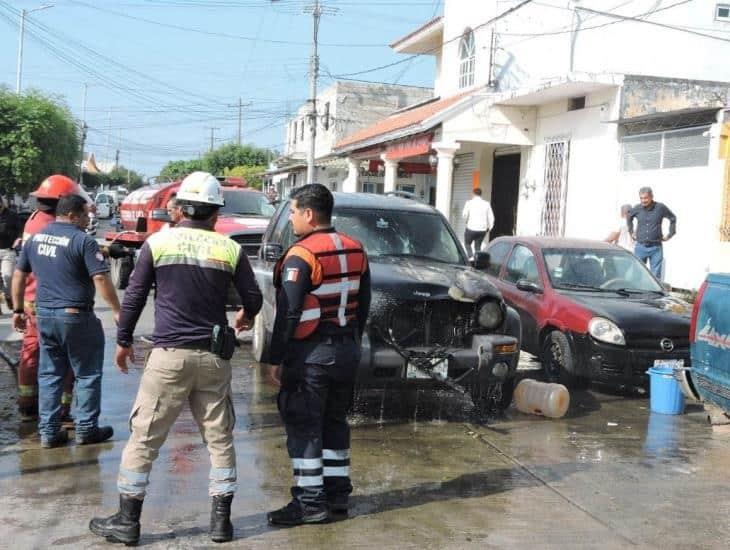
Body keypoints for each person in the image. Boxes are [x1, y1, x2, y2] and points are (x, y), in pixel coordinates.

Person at [89, 172, 262, 545]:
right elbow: (254, 297)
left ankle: (128, 522)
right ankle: (221, 524)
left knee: (144, 439)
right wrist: (245, 317)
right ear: (216, 213)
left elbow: (134, 297)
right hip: (214, 358)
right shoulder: (229, 249)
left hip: (168, 357)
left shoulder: (158, 242)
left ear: (180, 209)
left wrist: (123, 341)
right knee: (219, 441)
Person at [266, 183, 371, 526]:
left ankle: (310, 504)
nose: (292, 218)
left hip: (312, 356)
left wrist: (276, 357)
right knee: (335, 422)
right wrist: (352, 342)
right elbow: (364, 304)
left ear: (309, 214)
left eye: (294, 212)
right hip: (347, 351)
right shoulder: (357, 249)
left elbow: (289, 313)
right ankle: (337, 497)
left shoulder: (302, 255)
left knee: (305, 425)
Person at [11, 193, 120, 448]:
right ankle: (86, 429)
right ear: (71, 215)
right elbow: (101, 279)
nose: (87, 220)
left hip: (44, 316)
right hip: (76, 317)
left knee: (49, 375)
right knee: (87, 374)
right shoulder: (83, 241)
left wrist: (17, 309)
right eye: (84, 215)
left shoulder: (35, 239)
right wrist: (117, 309)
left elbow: (18, 275)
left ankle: (49, 433)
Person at [15, 175, 93, 424]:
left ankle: (28, 406)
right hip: (55, 301)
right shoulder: (55, 228)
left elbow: (20, 272)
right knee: (65, 358)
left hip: (31, 299)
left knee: (32, 352)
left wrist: (17, 307)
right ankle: (60, 410)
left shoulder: (35, 220)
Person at [627, 187, 676, 279]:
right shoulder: (637, 208)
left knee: (655, 276)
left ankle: (653, 293)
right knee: (637, 273)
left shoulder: (660, 207)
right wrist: (631, 231)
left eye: (645, 198)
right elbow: (629, 217)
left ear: (651, 197)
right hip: (640, 246)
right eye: (641, 198)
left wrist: (670, 234)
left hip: (656, 247)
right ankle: (638, 293)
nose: (643, 200)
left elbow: (672, 218)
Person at [0, 196, 21, 312]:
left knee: (7, 276)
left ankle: (8, 296)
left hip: (8, 250)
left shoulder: (12, 215)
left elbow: (19, 231)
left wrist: (18, 239)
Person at [462, 188, 494, 257]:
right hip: (482, 230)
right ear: (481, 194)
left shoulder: (469, 203)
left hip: (471, 228)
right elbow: (491, 217)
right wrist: (489, 228)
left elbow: (464, 215)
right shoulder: (486, 204)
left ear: (473, 194)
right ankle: (477, 261)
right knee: (478, 247)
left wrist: (466, 222)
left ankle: (470, 257)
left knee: (467, 244)